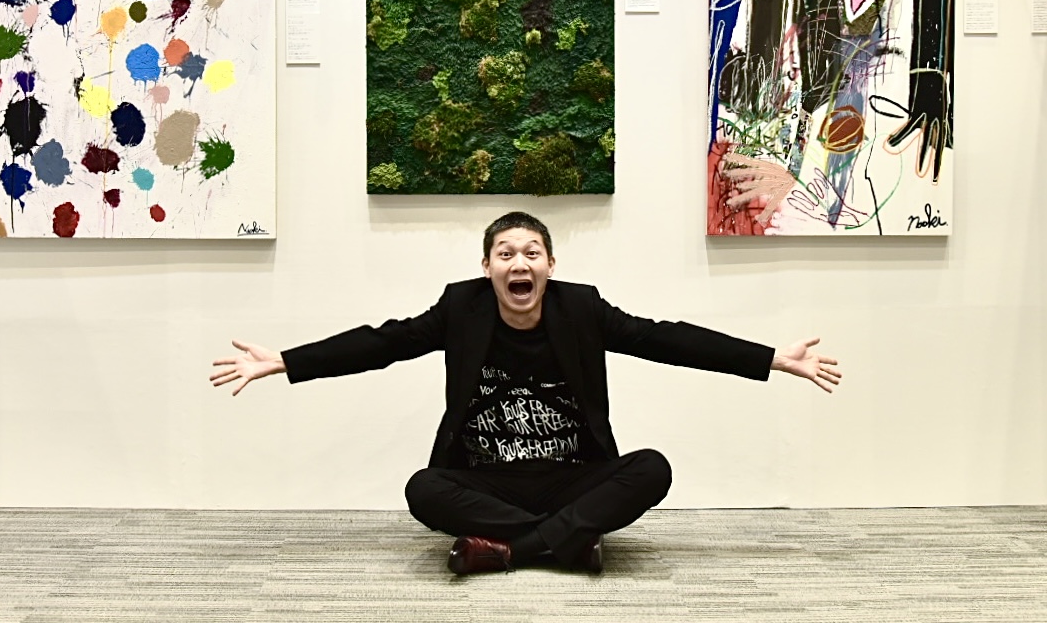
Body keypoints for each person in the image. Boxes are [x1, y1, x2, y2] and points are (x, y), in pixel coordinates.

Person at [210, 211, 841, 575]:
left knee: (652, 468)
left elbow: (664, 338)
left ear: (550, 266)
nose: (520, 263)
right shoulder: (460, 308)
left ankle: (509, 550)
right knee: (422, 489)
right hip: (486, 480)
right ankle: (568, 541)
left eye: (532, 252)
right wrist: (287, 362)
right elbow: (385, 342)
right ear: (487, 267)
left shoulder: (581, 309)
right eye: (506, 253)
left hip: (574, 476)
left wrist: (769, 358)